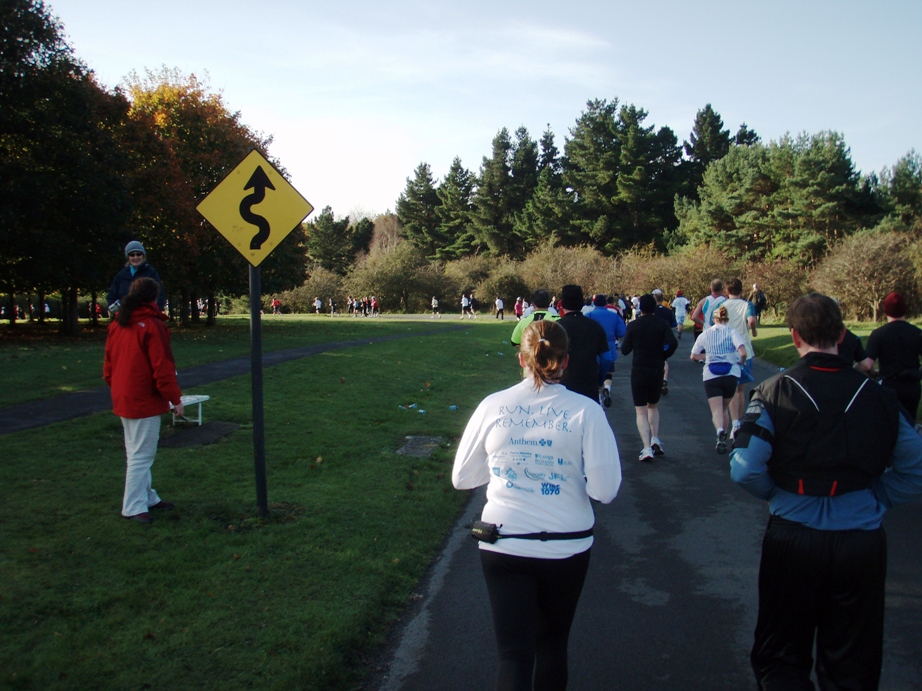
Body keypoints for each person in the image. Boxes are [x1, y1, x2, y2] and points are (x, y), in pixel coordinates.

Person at [730, 292, 922, 690]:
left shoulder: (774, 391)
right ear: (842, 334)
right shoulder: (881, 397)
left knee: (781, 657)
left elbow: (745, 468)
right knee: (852, 661)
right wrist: (876, 497)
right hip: (860, 540)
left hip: (794, 536)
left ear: (794, 335)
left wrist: (779, 495)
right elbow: (914, 467)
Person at [452, 319, 622, 691]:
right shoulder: (586, 411)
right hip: (567, 543)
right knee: (552, 645)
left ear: (521, 359)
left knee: (513, 655)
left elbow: (462, 477)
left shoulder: (493, 405)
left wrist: (506, 468)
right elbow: (605, 490)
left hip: (504, 541)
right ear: (565, 361)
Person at [103, 277, 184, 524]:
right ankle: (133, 505)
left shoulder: (119, 324)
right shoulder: (151, 326)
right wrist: (175, 399)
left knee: (136, 450)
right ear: (154, 299)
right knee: (142, 454)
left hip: (123, 394)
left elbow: (108, 363)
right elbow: (163, 368)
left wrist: (116, 385)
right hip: (143, 398)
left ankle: (147, 497)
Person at [620, 294, 679, 461]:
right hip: (656, 367)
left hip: (639, 368)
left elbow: (625, 350)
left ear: (640, 308)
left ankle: (646, 447)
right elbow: (673, 343)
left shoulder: (634, 325)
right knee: (653, 406)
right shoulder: (662, 324)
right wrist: (663, 354)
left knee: (640, 410)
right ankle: (655, 439)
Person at [691, 305, 747, 454]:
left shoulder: (706, 334)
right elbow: (742, 351)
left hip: (711, 375)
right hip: (730, 374)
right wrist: (741, 361)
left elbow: (694, 355)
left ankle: (720, 432)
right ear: (727, 319)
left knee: (716, 410)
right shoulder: (732, 332)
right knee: (724, 408)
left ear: (714, 319)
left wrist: (706, 357)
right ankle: (726, 432)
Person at [862, 291, 922, 420]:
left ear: (886, 311)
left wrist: (874, 374)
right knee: (909, 422)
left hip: (889, 385)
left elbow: (868, 365)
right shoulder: (917, 333)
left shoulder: (879, 334)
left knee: (889, 423)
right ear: (905, 310)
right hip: (912, 385)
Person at [557, 285, 611, 404]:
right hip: (588, 384)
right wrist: (600, 380)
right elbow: (607, 358)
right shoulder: (595, 327)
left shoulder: (555, 328)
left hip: (561, 385)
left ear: (562, 304)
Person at [724, 278, 758, 437]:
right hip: (745, 350)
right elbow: (751, 320)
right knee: (741, 389)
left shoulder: (722, 306)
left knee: (731, 388)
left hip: (727, 350)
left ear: (727, 291)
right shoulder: (747, 305)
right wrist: (754, 331)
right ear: (741, 291)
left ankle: (734, 423)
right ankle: (738, 422)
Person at [587, 293, 627, 407]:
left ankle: (598, 398)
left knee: (595, 375)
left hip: (593, 349)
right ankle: (607, 388)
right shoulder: (613, 315)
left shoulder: (589, 315)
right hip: (609, 348)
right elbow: (622, 331)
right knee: (608, 373)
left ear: (594, 303)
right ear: (605, 303)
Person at [106, 241, 166, 313]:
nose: (135, 257)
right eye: (132, 255)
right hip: (125, 317)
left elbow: (160, 295)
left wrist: (156, 312)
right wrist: (115, 309)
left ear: (143, 255)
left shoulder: (151, 273)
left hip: (145, 316)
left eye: (138, 254)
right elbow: (111, 295)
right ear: (128, 257)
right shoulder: (121, 275)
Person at [652, 289, 678, 395]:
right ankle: (665, 379)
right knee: (664, 360)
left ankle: (656, 381)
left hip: (654, 337)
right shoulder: (668, 311)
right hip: (665, 337)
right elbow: (674, 324)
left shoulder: (653, 311)